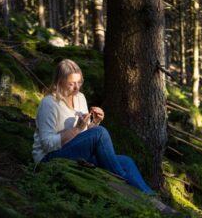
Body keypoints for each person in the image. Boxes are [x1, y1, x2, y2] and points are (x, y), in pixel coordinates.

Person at [32, 59, 154, 195]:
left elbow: (85, 135)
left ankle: (152, 198)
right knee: (99, 133)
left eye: (79, 82)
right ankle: (129, 186)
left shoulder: (80, 98)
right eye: (72, 84)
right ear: (59, 82)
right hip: (48, 157)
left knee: (126, 161)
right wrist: (77, 129)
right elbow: (47, 144)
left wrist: (94, 123)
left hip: (75, 152)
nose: (77, 88)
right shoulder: (49, 104)